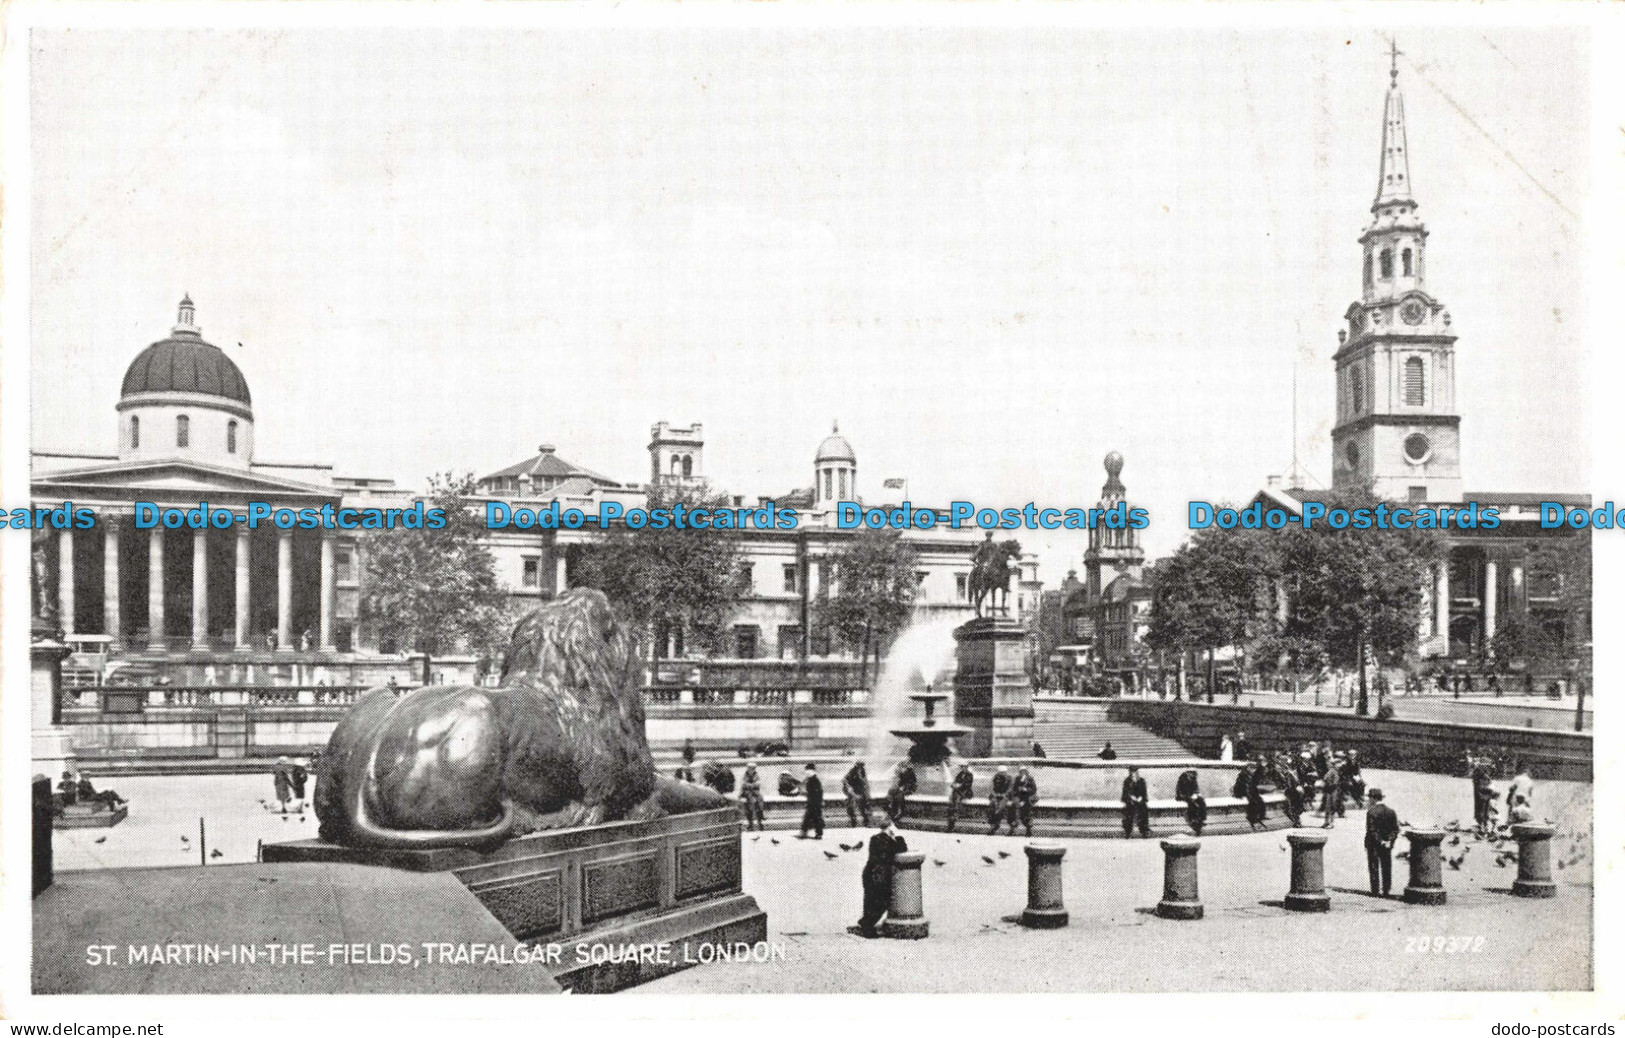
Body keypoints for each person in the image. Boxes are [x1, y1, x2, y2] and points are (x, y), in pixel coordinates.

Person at [848, 812, 908, 939]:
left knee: (879, 902)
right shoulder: (876, 839)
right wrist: (893, 839)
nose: (883, 820)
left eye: (885, 818)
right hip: (874, 875)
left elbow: (903, 850)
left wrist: (895, 837)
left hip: (880, 875)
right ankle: (867, 927)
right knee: (875, 901)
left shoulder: (896, 838)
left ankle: (866, 923)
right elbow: (885, 855)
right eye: (880, 819)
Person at [1364, 788, 1400, 896]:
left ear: (1373, 799)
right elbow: (1395, 829)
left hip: (1374, 844)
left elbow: (1371, 831)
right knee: (1387, 866)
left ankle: (1375, 890)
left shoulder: (1371, 812)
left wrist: (1380, 841)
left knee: (1374, 865)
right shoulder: (1391, 811)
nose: (1368, 800)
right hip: (1387, 845)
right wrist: (1389, 841)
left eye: (1369, 798)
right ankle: (1386, 889)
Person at [1121, 765, 1151, 838]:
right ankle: (1127, 830)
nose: (1134, 774)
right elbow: (1126, 792)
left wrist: (1141, 797)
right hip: (1130, 800)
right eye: (1132, 772)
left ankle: (1144, 830)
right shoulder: (1127, 781)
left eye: (1135, 772)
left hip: (1140, 800)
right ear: (1130, 773)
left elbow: (1144, 792)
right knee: (1128, 812)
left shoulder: (1141, 781)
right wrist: (1131, 797)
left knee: (1143, 810)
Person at [1175, 769, 1207, 835]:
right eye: (1192, 773)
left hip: (1191, 796)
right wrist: (1188, 796)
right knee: (1192, 804)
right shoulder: (1182, 779)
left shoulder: (1193, 779)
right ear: (1188, 773)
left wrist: (1196, 794)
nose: (1193, 775)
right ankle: (1193, 820)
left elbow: (1196, 788)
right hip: (1183, 796)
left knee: (1201, 801)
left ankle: (1202, 819)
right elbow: (1179, 790)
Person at [1471, 755, 1497, 834]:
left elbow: (1474, 779)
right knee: (1485, 807)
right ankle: (1484, 823)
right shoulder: (1487, 769)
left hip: (1481, 789)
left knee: (1481, 806)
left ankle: (1482, 823)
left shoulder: (1478, 768)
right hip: (1484, 790)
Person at [842, 762, 872, 828]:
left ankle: (866, 822)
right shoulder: (852, 773)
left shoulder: (862, 772)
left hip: (860, 791)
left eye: (861, 767)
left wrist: (866, 793)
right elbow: (845, 781)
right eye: (859, 767)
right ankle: (854, 821)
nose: (860, 769)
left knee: (863, 807)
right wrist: (852, 792)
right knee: (851, 807)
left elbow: (865, 783)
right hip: (854, 791)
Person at [946, 762, 974, 833]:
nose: (962, 768)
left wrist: (959, 785)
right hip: (957, 791)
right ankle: (951, 822)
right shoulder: (960, 774)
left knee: (956, 803)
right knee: (951, 802)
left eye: (964, 767)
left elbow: (967, 784)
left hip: (965, 792)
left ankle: (952, 822)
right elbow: (955, 781)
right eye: (962, 767)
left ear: (967, 767)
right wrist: (953, 784)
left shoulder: (969, 774)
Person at [798, 763, 824, 840]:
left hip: (815, 802)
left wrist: (805, 793)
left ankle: (807, 833)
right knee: (813, 818)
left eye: (808, 772)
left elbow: (817, 792)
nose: (807, 773)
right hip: (813, 802)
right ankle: (815, 833)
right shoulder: (812, 780)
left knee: (813, 818)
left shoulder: (814, 780)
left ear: (813, 771)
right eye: (807, 772)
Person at [1011, 766, 1038, 837]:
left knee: (1027, 814)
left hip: (1028, 798)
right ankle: (1013, 829)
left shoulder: (1030, 779)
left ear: (1026, 772)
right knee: (1015, 811)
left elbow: (1034, 789)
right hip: (1019, 798)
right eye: (1021, 771)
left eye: (1024, 771)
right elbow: (1014, 789)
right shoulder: (1017, 779)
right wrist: (1019, 790)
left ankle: (1028, 830)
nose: (1022, 773)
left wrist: (1026, 790)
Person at [739, 762, 766, 831]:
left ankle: (760, 818)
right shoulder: (745, 775)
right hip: (747, 793)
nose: (752, 770)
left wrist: (750, 785)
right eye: (751, 768)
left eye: (753, 768)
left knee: (760, 799)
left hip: (755, 792)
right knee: (751, 802)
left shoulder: (756, 775)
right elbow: (744, 785)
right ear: (748, 769)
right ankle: (751, 824)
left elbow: (758, 784)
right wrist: (752, 785)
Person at [1319, 755, 1343, 829]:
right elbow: (1326, 778)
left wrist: (1327, 782)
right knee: (1329, 806)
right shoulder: (1331, 771)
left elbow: (1334, 781)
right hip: (1330, 790)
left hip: (1333, 790)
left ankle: (1330, 822)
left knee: (1331, 806)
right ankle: (1327, 822)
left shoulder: (1334, 771)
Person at [988, 765, 1012, 834]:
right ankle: (993, 826)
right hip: (997, 796)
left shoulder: (1009, 779)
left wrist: (1003, 795)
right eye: (1000, 772)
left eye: (1003, 772)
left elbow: (1010, 790)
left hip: (1006, 797)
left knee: (1000, 807)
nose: (1002, 774)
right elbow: (991, 788)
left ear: (1006, 772)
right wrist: (994, 794)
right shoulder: (995, 778)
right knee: (993, 805)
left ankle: (996, 825)